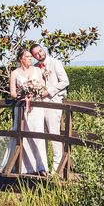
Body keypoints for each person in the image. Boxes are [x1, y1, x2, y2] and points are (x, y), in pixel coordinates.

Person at [0, 49, 48, 175]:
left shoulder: (37, 70)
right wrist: (22, 92)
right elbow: (12, 93)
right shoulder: (14, 73)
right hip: (21, 107)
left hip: (35, 109)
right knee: (20, 135)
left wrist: (35, 91)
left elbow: (44, 87)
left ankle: (40, 167)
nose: (30, 58)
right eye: (27, 56)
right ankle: (20, 167)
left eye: (30, 56)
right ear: (20, 59)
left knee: (37, 135)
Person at [29, 43, 69, 173]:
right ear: (34, 56)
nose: (40, 54)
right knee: (42, 136)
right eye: (36, 54)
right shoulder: (35, 68)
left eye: (40, 51)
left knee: (54, 135)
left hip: (53, 102)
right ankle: (43, 168)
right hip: (39, 105)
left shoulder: (55, 63)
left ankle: (57, 169)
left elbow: (65, 81)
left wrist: (49, 92)